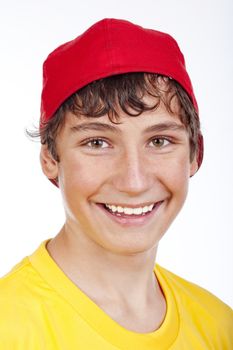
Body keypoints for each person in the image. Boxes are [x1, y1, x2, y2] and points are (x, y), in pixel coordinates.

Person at [0, 18, 232, 349]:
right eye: (97, 143)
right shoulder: (9, 328)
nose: (134, 181)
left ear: (195, 154)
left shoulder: (219, 328)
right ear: (50, 158)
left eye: (159, 141)